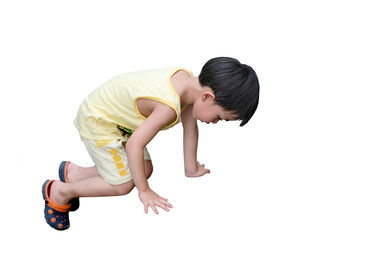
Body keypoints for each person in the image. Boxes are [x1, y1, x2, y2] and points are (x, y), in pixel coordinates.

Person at [42, 57, 260, 230]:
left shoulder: (187, 82)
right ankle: (60, 192)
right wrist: (144, 191)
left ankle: (75, 174)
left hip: (116, 118)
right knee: (124, 184)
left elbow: (190, 127)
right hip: (100, 121)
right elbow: (134, 145)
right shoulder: (167, 107)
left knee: (144, 168)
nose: (214, 122)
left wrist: (191, 168)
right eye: (220, 117)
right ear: (207, 97)